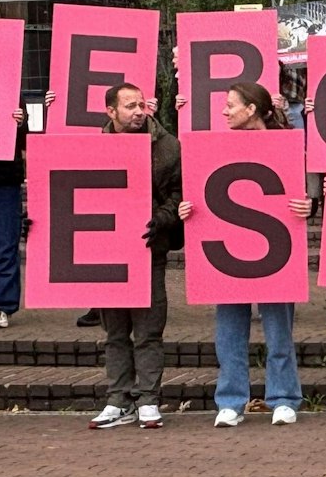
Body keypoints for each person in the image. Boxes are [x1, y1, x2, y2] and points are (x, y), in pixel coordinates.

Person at [176, 82, 311, 428]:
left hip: (274, 249)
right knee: (229, 329)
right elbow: (199, 189)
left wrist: (307, 204)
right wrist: (188, 208)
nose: (224, 111)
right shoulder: (215, 147)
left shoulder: (286, 145)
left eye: (230, 105)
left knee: (278, 328)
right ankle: (231, 401)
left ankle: (283, 398)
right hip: (228, 247)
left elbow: (302, 190)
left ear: (251, 109)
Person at [87, 82, 182, 430]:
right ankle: (118, 398)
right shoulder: (93, 148)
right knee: (114, 332)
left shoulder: (168, 148)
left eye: (141, 104)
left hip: (147, 249)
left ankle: (148, 400)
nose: (139, 111)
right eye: (129, 106)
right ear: (110, 111)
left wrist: (161, 219)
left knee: (147, 330)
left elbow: (178, 193)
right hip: (108, 251)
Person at [0, 110, 29, 329]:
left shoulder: (7, 83)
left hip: (4, 176)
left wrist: (20, 124)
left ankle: (2, 305)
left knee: (5, 244)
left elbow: (24, 139)